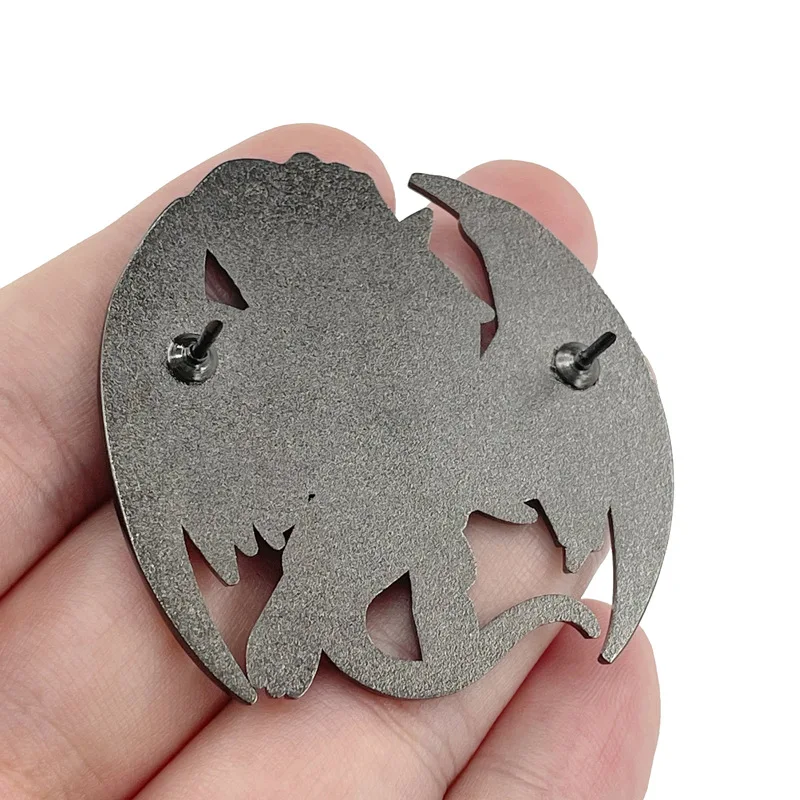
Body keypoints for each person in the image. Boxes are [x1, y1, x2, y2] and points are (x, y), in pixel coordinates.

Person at [0, 124, 659, 799]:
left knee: (418, 518)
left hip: (403, 485)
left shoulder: (418, 331)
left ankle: (353, 612)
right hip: (350, 493)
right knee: (398, 517)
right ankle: (328, 613)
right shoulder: (307, 347)